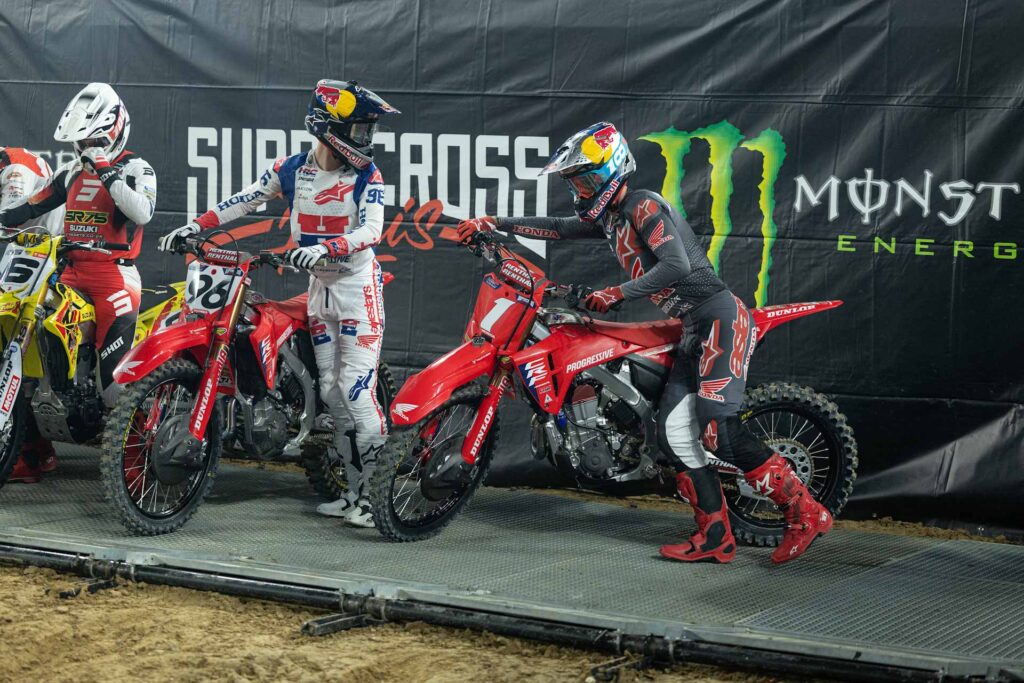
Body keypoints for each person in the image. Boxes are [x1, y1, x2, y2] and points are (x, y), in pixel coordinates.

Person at [456, 122, 831, 565]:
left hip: (719, 319)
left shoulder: (643, 205)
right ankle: (715, 536)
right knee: (674, 436)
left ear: (613, 170)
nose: (580, 190)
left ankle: (806, 513)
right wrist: (495, 222)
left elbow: (675, 265)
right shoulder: (612, 219)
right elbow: (558, 227)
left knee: (717, 431)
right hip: (692, 327)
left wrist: (616, 293)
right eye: (575, 182)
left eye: (586, 179)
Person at [160, 80, 397, 528]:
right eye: (359, 129)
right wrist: (194, 226)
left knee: (356, 391)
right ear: (328, 127)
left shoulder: (368, 175)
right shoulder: (291, 169)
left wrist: (327, 248)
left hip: (357, 289)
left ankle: (377, 498)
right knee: (331, 393)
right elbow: (245, 200)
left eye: (368, 130)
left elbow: (372, 231)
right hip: (320, 290)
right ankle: (352, 494)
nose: (366, 139)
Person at [0, 84, 156, 484]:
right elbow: (31, 205)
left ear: (112, 132)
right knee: (35, 351)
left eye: (91, 140)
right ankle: (31, 451)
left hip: (114, 278)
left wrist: (105, 168)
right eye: (80, 142)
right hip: (68, 271)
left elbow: (142, 212)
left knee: (114, 380)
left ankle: (138, 463)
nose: (84, 148)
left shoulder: (137, 168)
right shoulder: (70, 172)